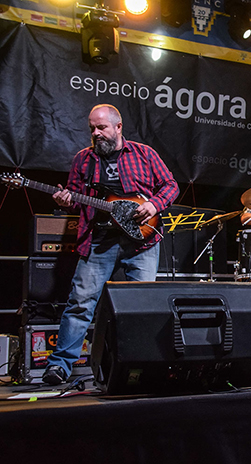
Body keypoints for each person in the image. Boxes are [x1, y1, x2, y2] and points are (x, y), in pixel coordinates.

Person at [42, 104, 179, 385]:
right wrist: (66, 201)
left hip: (141, 242)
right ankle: (59, 366)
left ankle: (141, 364)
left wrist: (154, 205)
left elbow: (170, 185)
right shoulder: (83, 160)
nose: (96, 133)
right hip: (99, 241)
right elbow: (76, 200)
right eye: (92, 128)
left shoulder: (143, 154)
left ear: (118, 127)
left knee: (142, 306)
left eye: (101, 127)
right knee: (80, 303)